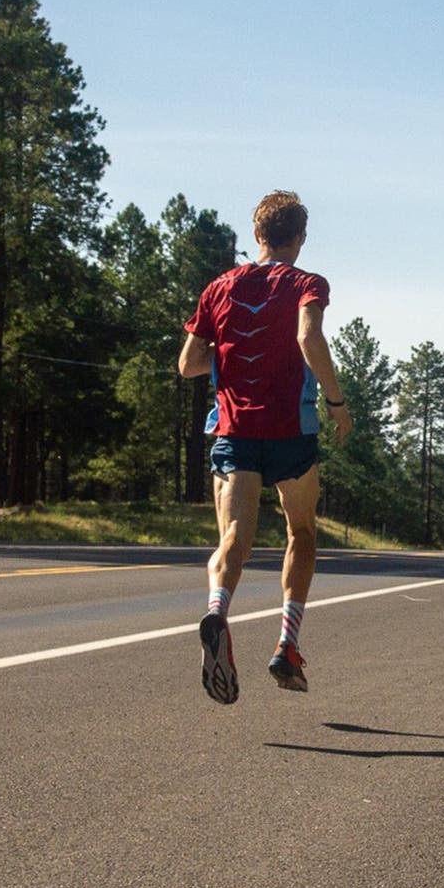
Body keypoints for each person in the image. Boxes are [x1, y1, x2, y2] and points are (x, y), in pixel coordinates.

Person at [179, 191, 352, 704]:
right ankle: (287, 644)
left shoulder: (220, 287)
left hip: (233, 430)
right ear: (298, 239)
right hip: (291, 433)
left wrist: (229, 351)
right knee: (301, 531)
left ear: (257, 235)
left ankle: (216, 610)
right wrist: (337, 402)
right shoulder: (307, 282)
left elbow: (188, 363)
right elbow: (308, 338)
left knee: (233, 537)